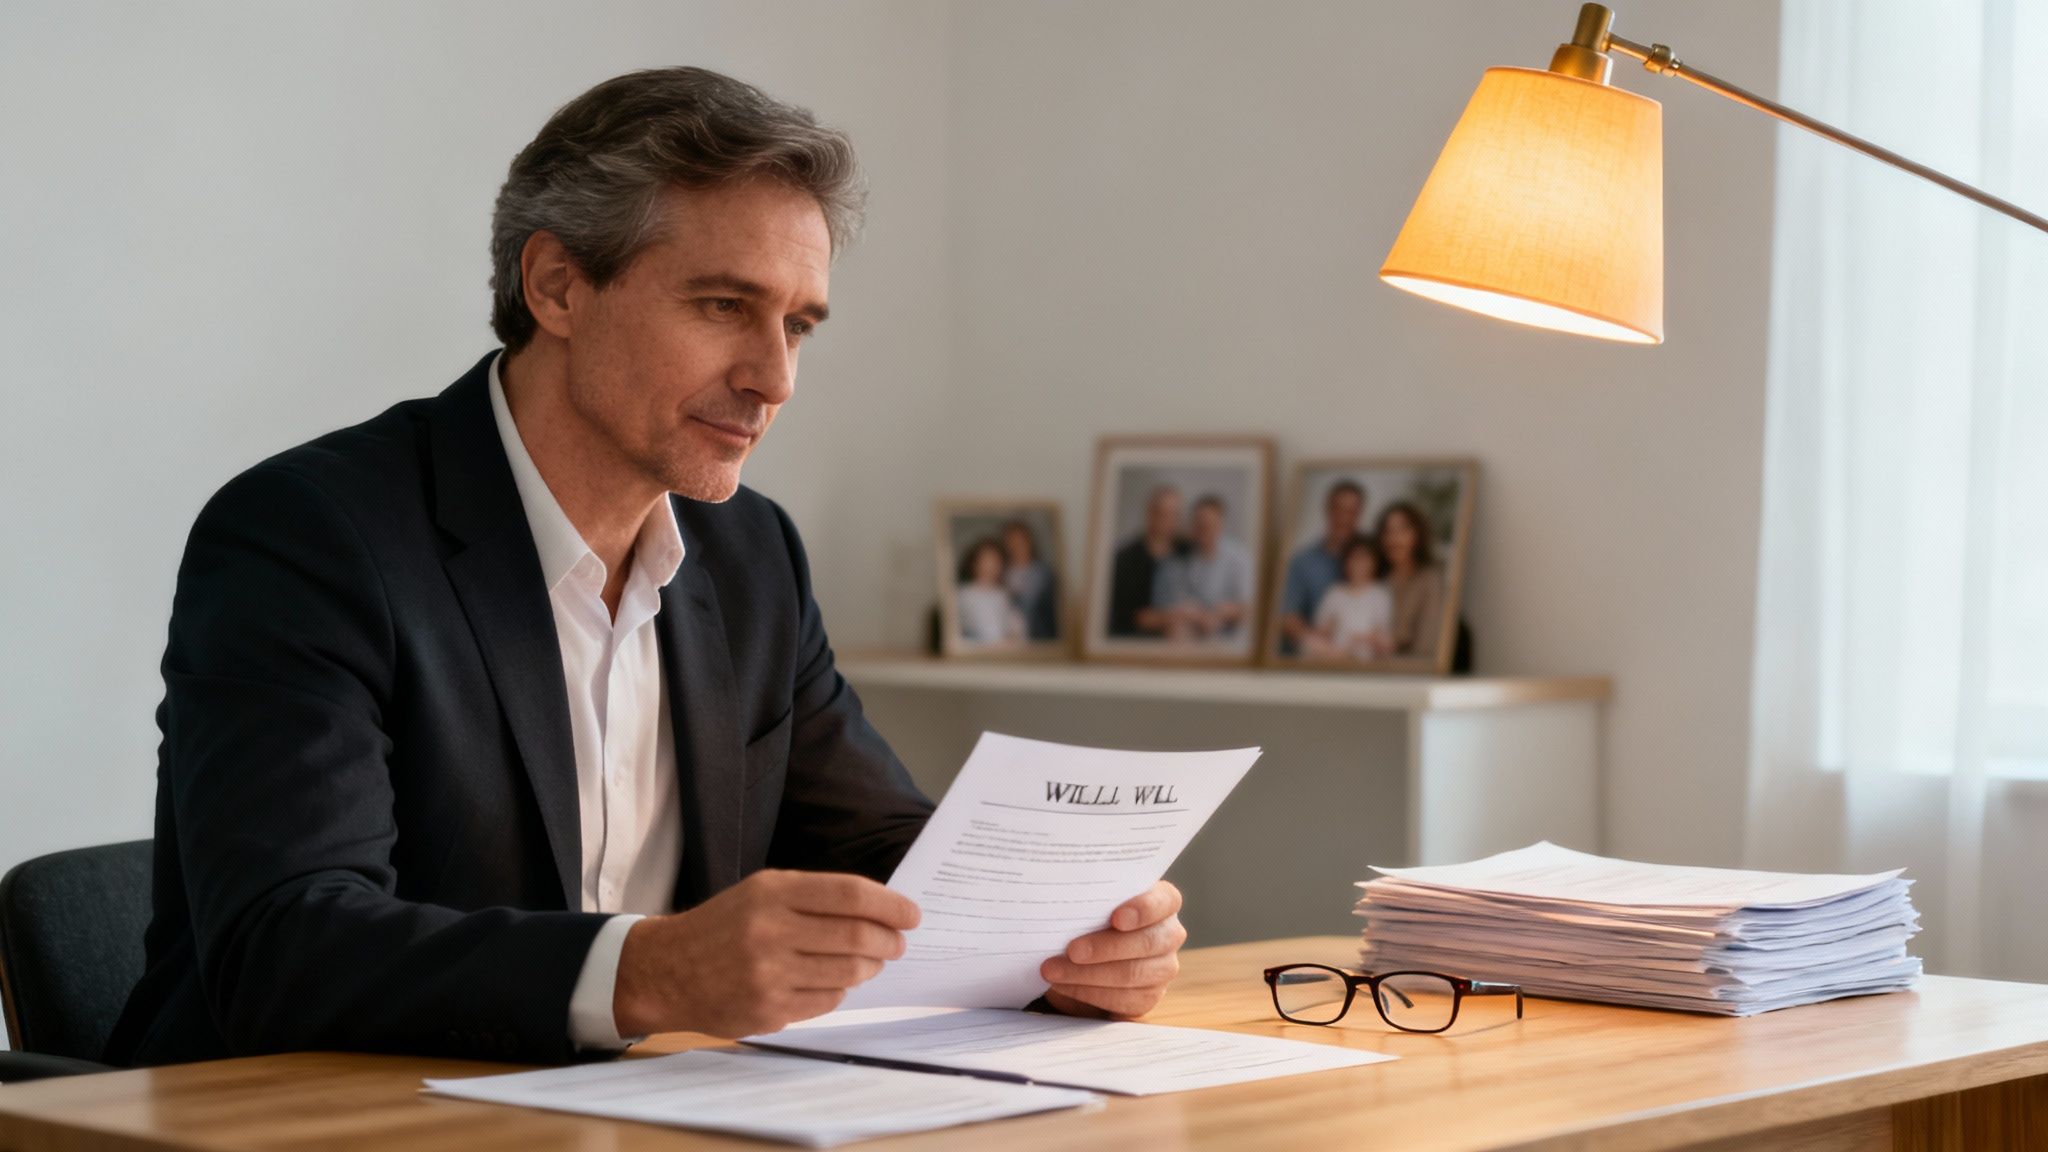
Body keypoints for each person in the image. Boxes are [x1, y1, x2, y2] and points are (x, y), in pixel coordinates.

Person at [107, 67, 1185, 1068]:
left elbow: (877, 850)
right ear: (557, 287)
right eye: (722, 306)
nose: (774, 379)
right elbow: (285, 946)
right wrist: (649, 969)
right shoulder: (308, 534)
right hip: (301, 1122)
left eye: (797, 324)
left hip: (633, 1116)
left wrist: (1057, 940)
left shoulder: (750, 551)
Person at [1144, 494, 1252, 642]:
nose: (1204, 531)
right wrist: (1191, 615)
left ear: (1221, 524)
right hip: (1191, 634)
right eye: (1200, 525)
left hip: (1229, 637)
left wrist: (1218, 613)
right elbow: (1166, 607)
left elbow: (1247, 608)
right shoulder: (1179, 558)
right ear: (1193, 525)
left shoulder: (1240, 557)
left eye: (1210, 525)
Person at [1278, 479, 1365, 656]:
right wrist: (1316, 643)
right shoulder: (1302, 561)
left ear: (1360, 515)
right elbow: (1288, 617)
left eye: (1351, 512)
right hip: (1314, 656)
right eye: (1338, 510)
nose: (1344, 519)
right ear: (1327, 510)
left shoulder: (1373, 556)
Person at [1106, 485, 1186, 638]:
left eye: (1175, 515)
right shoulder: (1125, 558)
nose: (1170, 522)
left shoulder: (1185, 550)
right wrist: (1175, 616)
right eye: (1164, 514)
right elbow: (1129, 617)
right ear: (1150, 514)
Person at [1377, 500, 1447, 660]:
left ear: (1417, 535)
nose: (1394, 539)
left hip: (1409, 672)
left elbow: (1427, 646)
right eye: (1388, 531)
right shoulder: (1378, 578)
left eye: (1402, 530)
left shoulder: (1431, 579)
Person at [1308, 534, 1393, 660]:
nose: (1359, 564)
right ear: (1346, 561)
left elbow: (1384, 640)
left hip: (1369, 665)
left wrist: (1361, 639)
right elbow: (1322, 633)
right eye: (1354, 558)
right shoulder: (1335, 594)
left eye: (1365, 558)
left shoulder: (1380, 595)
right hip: (1337, 661)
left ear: (1374, 562)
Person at [956, 537, 1026, 646]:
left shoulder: (1004, 595)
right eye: (986, 560)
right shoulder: (964, 594)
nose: (991, 566)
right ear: (974, 563)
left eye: (995, 561)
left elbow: (1015, 626)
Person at [999, 519, 1058, 641]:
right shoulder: (1000, 573)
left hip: (1041, 639)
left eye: (1020, 539)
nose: (1015, 544)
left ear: (1029, 540)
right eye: (1010, 540)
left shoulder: (1045, 573)